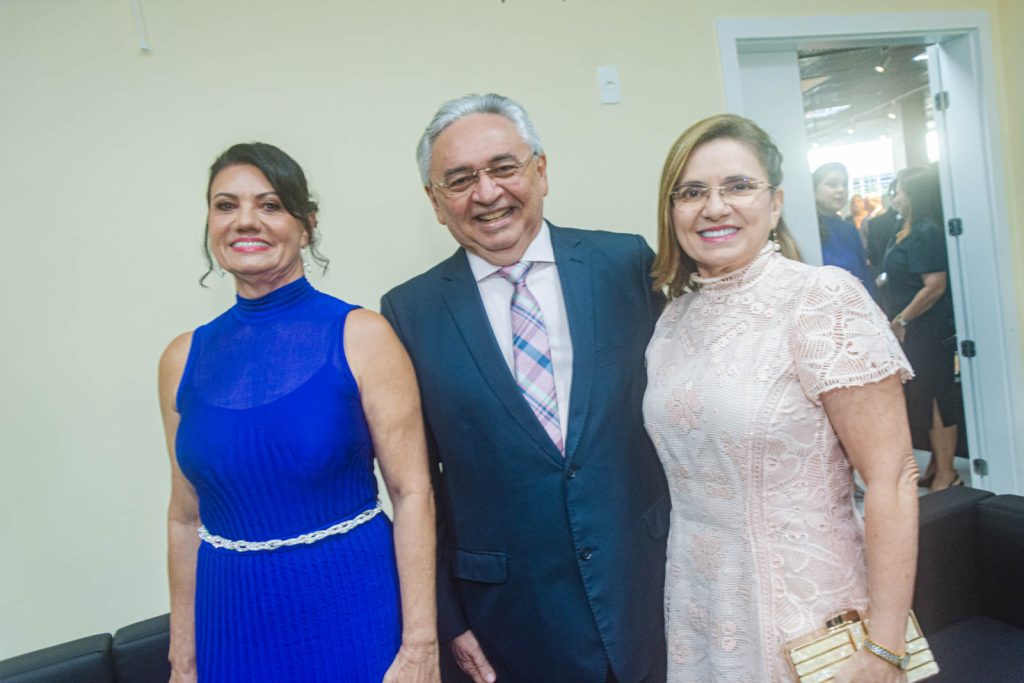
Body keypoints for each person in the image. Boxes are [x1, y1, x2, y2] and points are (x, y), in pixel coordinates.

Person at [380, 94, 669, 682]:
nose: (486, 194)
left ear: (540, 171)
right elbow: (415, 484)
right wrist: (446, 617)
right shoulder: (408, 313)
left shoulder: (625, 265)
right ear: (436, 204)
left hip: (648, 586)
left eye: (503, 168)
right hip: (510, 620)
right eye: (459, 180)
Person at [646, 114, 919, 682]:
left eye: (738, 186)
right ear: (673, 212)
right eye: (692, 192)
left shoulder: (821, 300)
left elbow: (892, 476)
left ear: (775, 204)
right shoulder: (673, 319)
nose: (715, 207)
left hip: (805, 616)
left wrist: (886, 646)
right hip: (701, 609)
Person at [159, 143, 439, 682]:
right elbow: (184, 516)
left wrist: (421, 645)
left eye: (269, 205)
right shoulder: (180, 358)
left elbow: (412, 495)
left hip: (352, 610)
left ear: (306, 225)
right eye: (225, 205)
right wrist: (183, 657)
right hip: (229, 623)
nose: (246, 220)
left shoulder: (363, 337)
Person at [882, 166, 964, 491]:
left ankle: (949, 473)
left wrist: (902, 319)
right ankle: (937, 464)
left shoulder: (926, 232)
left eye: (900, 190)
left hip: (927, 330)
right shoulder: (903, 229)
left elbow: (935, 286)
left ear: (914, 194)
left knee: (937, 398)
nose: (895, 196)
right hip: (913, 332)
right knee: (924, 398)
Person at [813, 162, 875, 294]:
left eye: (844, 184)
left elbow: (864, 274)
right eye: (832, 184)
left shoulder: (849, 229)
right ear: (814, 190)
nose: (841, 190)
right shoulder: (807, 229)